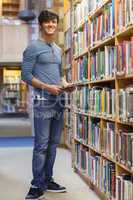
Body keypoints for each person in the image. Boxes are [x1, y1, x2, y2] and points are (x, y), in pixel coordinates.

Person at [22, 10, 75, 200]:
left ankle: (48, 179)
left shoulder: (58, 49)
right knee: (42, 145)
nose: (51, 25)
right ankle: (36, 186)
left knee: (53, 145)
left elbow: (59, 74)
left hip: (58, 101)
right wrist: (47, 87)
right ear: (42, 24)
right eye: (48, 22)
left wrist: (65, 84)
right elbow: (26, 76)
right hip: (42, 102)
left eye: (54, 22)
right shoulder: (33, 47)